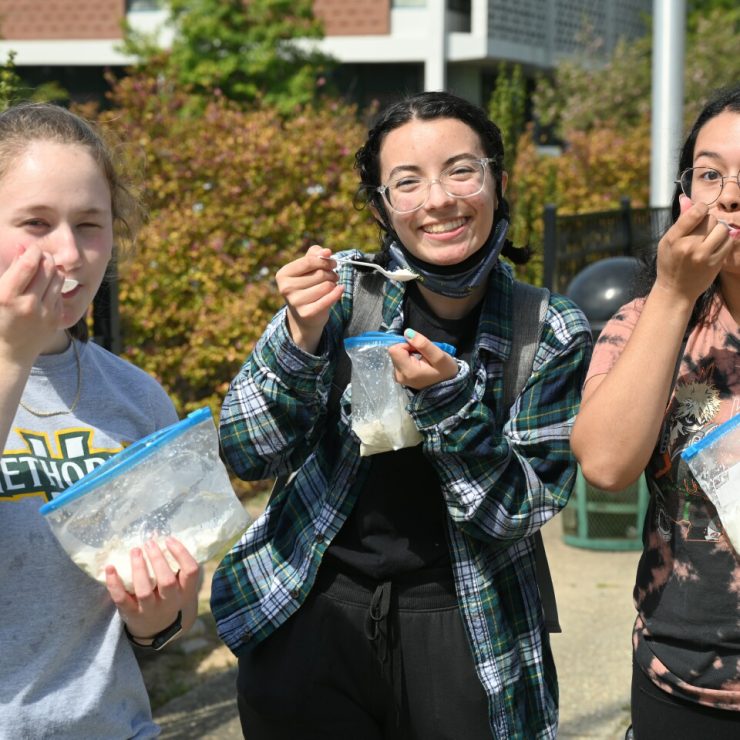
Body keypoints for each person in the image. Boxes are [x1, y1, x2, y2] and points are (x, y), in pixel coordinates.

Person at [211, 90, 592, 739]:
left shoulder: (548, 330)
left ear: (497, 181)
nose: (439, 199)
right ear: (381, 207)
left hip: (469, 621)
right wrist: (298, 345)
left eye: (461, 170)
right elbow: (246, 453)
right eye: (407, 183)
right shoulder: (336, 300)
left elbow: (515, 516)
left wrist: (449, 402)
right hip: (314, 608)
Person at [0, 102, 200, 738]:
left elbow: (168, 624)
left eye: (90, 224)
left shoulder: (136, 397)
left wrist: (158, 614)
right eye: (35, 222)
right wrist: (11, 354)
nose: (68, 253)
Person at [571, 84, 740, 739]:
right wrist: (673, 293)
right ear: (685, 198)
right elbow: (607, 465)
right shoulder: (648, 323)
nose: (729, 193)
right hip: (686, 683)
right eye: (710, 173)